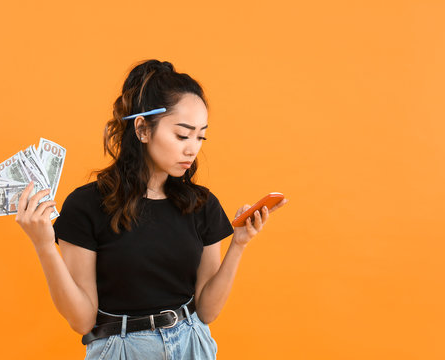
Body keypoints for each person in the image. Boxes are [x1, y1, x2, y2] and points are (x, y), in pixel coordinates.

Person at [15, 59, 288, 359]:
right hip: (122, 348)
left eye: (200, 136)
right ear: (143, 129)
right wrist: (43, 244)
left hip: (192, 344)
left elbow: (208, 311)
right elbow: (81, 320)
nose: (192, 148)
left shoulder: (202, 204)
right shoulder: (86, 206)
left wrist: (239, 243)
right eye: (182, 135)